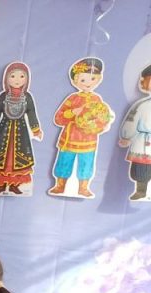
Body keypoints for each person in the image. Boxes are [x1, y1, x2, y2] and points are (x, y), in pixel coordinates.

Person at [49, 57, 115, 198]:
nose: (88, 83)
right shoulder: (72, 98)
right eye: (83, 80)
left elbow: (102, 116)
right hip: (70, 137)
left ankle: (83, 187)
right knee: (65, 160)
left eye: (92, 79)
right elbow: (58, 118)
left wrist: (102, 124)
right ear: (75, 81)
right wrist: (72, 112)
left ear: (98, 79)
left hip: (89, 138)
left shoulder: (97, 99)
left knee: (87, 162)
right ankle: (60, 185)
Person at [0, 62, 43, 196]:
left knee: (19, 158)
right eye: (13, 76)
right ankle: (0, 185)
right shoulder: (3, 96)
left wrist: (36, 130)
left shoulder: (27, 97)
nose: (17, 80)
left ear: (27, 79)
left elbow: (32, 113)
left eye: (21, 76)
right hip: (3, 130)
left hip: (22, 132)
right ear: (6, 78)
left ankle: (14, 186)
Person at [118, 63, 151, 202]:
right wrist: (126, 136)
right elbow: (131, 121)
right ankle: (141, 191)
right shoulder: (141, 105)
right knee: (141, 169)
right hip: (143, 141)